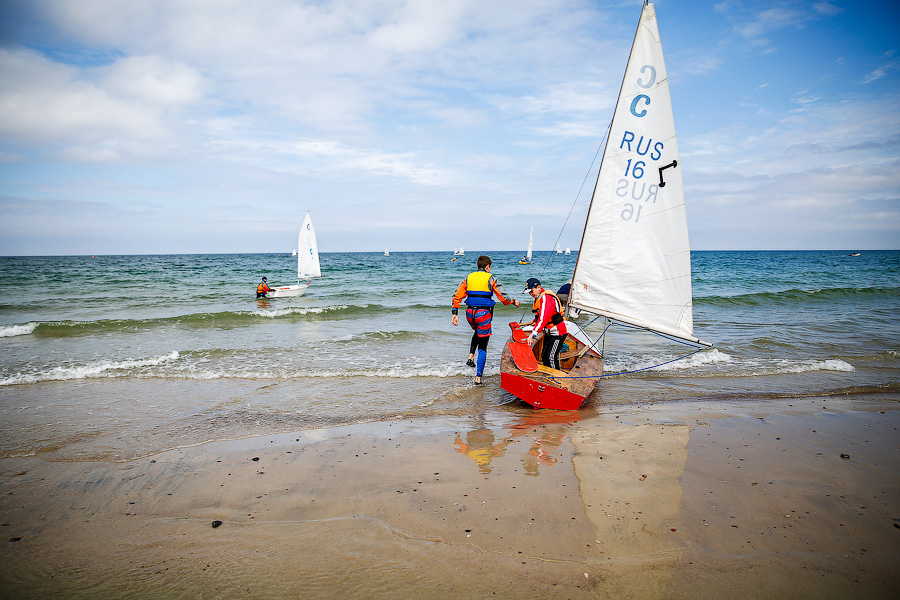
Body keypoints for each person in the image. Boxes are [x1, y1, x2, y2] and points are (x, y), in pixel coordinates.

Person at [451, 255, 520, 385]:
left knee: (477, 331)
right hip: (483, 314)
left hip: (470, 314)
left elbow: (457, 295)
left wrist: (454, 313)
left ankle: (471, 355)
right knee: (483, 346)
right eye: (490, 267)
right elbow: (503, 298)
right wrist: (514, 302)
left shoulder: (468, 278)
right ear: (487, 267)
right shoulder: (491, 278)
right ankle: (478, 379)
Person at [523, 277, 568, 370]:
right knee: (544, 355)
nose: (531, 294)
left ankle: (556, 379)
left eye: (532, 291)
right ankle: (548, 376)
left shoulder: (546, 298)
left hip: (558, 331)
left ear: (538, 287)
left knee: (551, 357)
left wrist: (533, 334)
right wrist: (536, 320)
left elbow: (544, 319)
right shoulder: (539, 298)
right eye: (529, 293)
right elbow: (541, 316)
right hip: (549, 331)